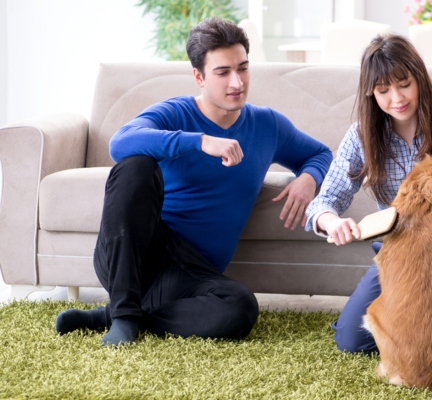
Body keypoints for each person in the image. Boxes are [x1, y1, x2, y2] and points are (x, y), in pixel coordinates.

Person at [55, 17, 333, 346]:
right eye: (223, 72)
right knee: (135, 167)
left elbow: (320, 153)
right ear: (199, 77)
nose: (237, 82)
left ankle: (117, 314)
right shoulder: (176, 113)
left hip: (191, 274)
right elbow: (120, 143)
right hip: (136, 255)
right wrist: (200, 141)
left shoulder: (267, 125)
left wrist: (308, 179)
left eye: (243, 68)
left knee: (241, 307)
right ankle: (124, 316)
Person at [305, 33, 432, 354]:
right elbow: (325, 201)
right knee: (351, 340)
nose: (396, 98)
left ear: (420, 78)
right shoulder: (362, 135)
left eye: (404, 84)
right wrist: (331, 222)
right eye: (383, 90)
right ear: (371, 93)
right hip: (397, 253)